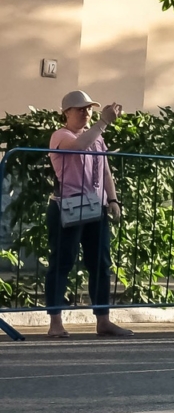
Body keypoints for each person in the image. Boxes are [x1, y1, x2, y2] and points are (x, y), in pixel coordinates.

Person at [44, 89, 129, 338]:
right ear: (66, 113)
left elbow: (104, 170)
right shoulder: (61, 135)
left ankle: (103, 320)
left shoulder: (96, 136)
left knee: (101, 263)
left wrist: (112, 199)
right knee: (62, 262)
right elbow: (79, 147)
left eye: (89, 109)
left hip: (95, 206)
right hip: (67, 207)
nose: (86, 113)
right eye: (80, 109)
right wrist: (103, 122)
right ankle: (55, 322)